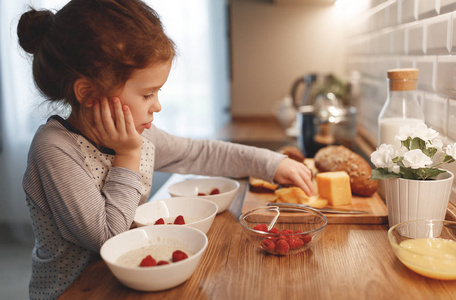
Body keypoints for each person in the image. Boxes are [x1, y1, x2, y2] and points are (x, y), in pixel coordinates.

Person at [17, 0, 314, 298]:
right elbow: (109, 238)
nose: (156, 106)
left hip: (130, 283)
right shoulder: (55, 149)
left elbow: (199, 153)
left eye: (157, 92)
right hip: (76, 291)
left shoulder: (137, 134)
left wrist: (271, 163)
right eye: (147, 94)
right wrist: (128, 155)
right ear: (89, 93)